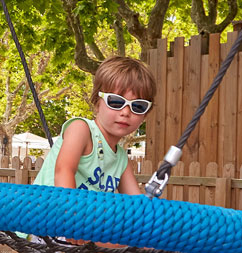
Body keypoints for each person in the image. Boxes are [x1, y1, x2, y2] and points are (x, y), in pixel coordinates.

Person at [33, 55, 156, 196]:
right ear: (97, 102)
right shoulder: (81, 129)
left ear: (145, 115)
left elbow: (136, 203)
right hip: (48, 210)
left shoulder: (121, 159)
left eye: (138, 106)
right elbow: (63, 171)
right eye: (116, 102)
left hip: (85, 216)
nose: (126, 112)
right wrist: (73, 211)